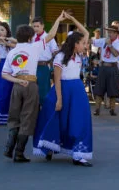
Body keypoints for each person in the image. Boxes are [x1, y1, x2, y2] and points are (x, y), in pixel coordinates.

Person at [1, 12, 65, 163]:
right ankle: (19, 153)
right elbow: (51, 35)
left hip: (17, 84)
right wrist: (58, 19)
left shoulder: (13, 52)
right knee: (28, 116)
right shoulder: (35, 47)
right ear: (30, 38)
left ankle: (9, 146)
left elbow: (4, 74)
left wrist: (17, 80)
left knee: (14, 115)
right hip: (30, 84)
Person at [33, 15, 93, 167]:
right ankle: (50, 148)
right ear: (75, 44)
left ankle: (78, 154)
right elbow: (57, 79)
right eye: (82, 44)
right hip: (63, 90)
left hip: (77, 91)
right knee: (57, 119)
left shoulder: (78, 55)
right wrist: (59, 99)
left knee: (79, 120)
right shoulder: (60, 57)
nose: (85, 46)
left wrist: (73, 19)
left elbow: (86, 32)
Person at [92, 25, 119, 116]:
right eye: (108, 32)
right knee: (99, 88)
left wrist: (109, 44)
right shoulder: (103, 40)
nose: (109, 34)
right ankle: (97, 109)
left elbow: (115, 54)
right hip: (103, 67)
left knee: (113, 89)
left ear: (116, 33)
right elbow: (93, 41)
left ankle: (112, 109)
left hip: (112, 67)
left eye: (111, 32)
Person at [32, 17, 59, 105]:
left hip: (44, 66)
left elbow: (55, 51)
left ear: (42, 26)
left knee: (43, 91)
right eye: (34, 26)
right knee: (32, 91)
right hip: (32, 66)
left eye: (37, 26)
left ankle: (45, 111)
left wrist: (53, 64)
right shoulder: (32, 37)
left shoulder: (49, 38)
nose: (35, 28)